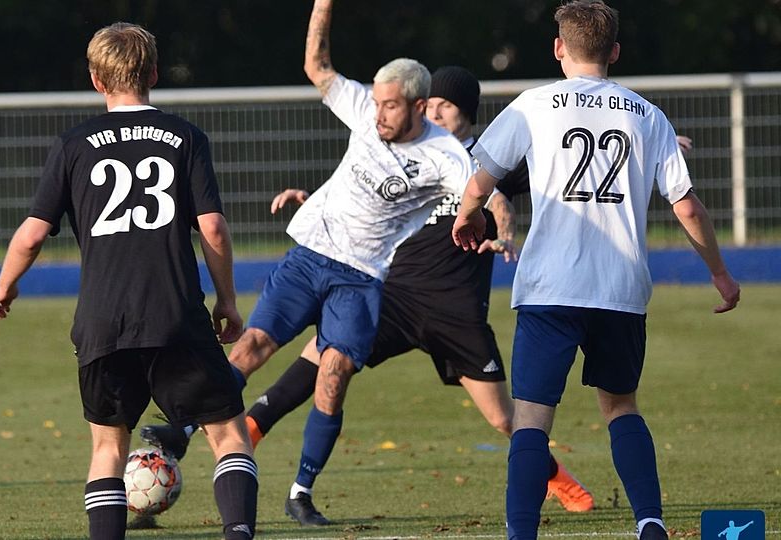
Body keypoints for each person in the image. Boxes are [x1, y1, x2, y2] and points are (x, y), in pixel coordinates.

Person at [138, 65, 594, 523]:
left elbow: (530, 181)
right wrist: (313, 198)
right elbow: (367, 194)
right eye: (431, 102)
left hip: (455, 315)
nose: (436, 109)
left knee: (501, 416)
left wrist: (506, 233)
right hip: (392, 297)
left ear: (468, 115)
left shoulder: (482, 160)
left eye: (447, 105)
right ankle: (242, 440)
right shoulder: (404, 141)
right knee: (318, 362)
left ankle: (557, 478)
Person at [450, 3, 741, 540]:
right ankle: (650, 524)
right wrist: (720, 274)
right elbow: (688, 207)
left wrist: (468, 217)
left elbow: (479, 181)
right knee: (621, 407)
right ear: (615, 52)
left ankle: (521, 534)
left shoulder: (533, 105)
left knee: (532, 420)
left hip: (549, 288)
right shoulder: (646, 114)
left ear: (559, 48)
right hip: (621, 289)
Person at [0, 22, 258, 540]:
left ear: (96, 80)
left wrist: (5, 284)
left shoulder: (74, 145)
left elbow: (33, 233)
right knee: (227, 434)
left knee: (108, 446)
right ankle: (238, 532)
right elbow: (214, 228)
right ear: (154, 73)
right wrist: (226, 299)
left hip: (102, 321)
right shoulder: (185, 137)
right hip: (175, 314)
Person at [214, 0, 477, 526]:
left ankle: (300, 494)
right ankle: (178, 435)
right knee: (252, 347)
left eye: (390, 106)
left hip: (362, 278)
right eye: (376, 103)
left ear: (420, 107)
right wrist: (322, 7)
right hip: (311, 253)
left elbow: (482, 192)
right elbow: (317, 67)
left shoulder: (447, 155)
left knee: (333, 376)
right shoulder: (364, 108)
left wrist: (482, 218)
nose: (377, 113)